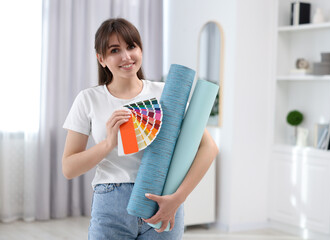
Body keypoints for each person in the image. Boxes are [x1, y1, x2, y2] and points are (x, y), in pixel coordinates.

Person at [62, 18, 218, 240]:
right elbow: (69, 168)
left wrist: (177, 198)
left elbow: (209, 148)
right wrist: (108, 144)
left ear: (141, 49)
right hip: (111, 206)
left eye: (131, 46)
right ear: (101, 59)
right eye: (115, 50)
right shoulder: (89, 99)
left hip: (163, 201)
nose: (126, 56)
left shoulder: (166, 93)